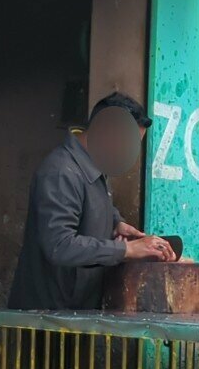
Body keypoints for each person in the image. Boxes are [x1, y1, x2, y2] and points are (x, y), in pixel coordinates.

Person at [9, 92, 175, 311]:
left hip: (78, 314)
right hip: (47, 321)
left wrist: (115, 222)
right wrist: (127, 250)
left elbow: (88, 205)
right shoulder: (61, 172)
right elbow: (59, 245)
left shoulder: (95, 168)